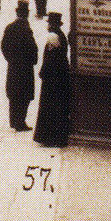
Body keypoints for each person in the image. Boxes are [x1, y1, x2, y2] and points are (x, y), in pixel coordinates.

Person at [33, 13, 71, 148]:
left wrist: (43, 72)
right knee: (58, 106)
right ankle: (58, 136)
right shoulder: (60, 35)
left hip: (53, 78)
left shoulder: (53, 37)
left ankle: (50, 137)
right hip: (60, 76)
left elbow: (50, 58)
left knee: (50, 107)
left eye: (49, 23)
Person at [0, 1, 39, 131]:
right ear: (27, 14)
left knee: (14, 94)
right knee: (24, 95)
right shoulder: (26, 29)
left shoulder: (10, 27)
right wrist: (32, 60)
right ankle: (20, 122)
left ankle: (14, 120)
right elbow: (32, 48)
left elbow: (3, 46)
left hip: (13, 67)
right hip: (25, 68)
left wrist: (10, 59)